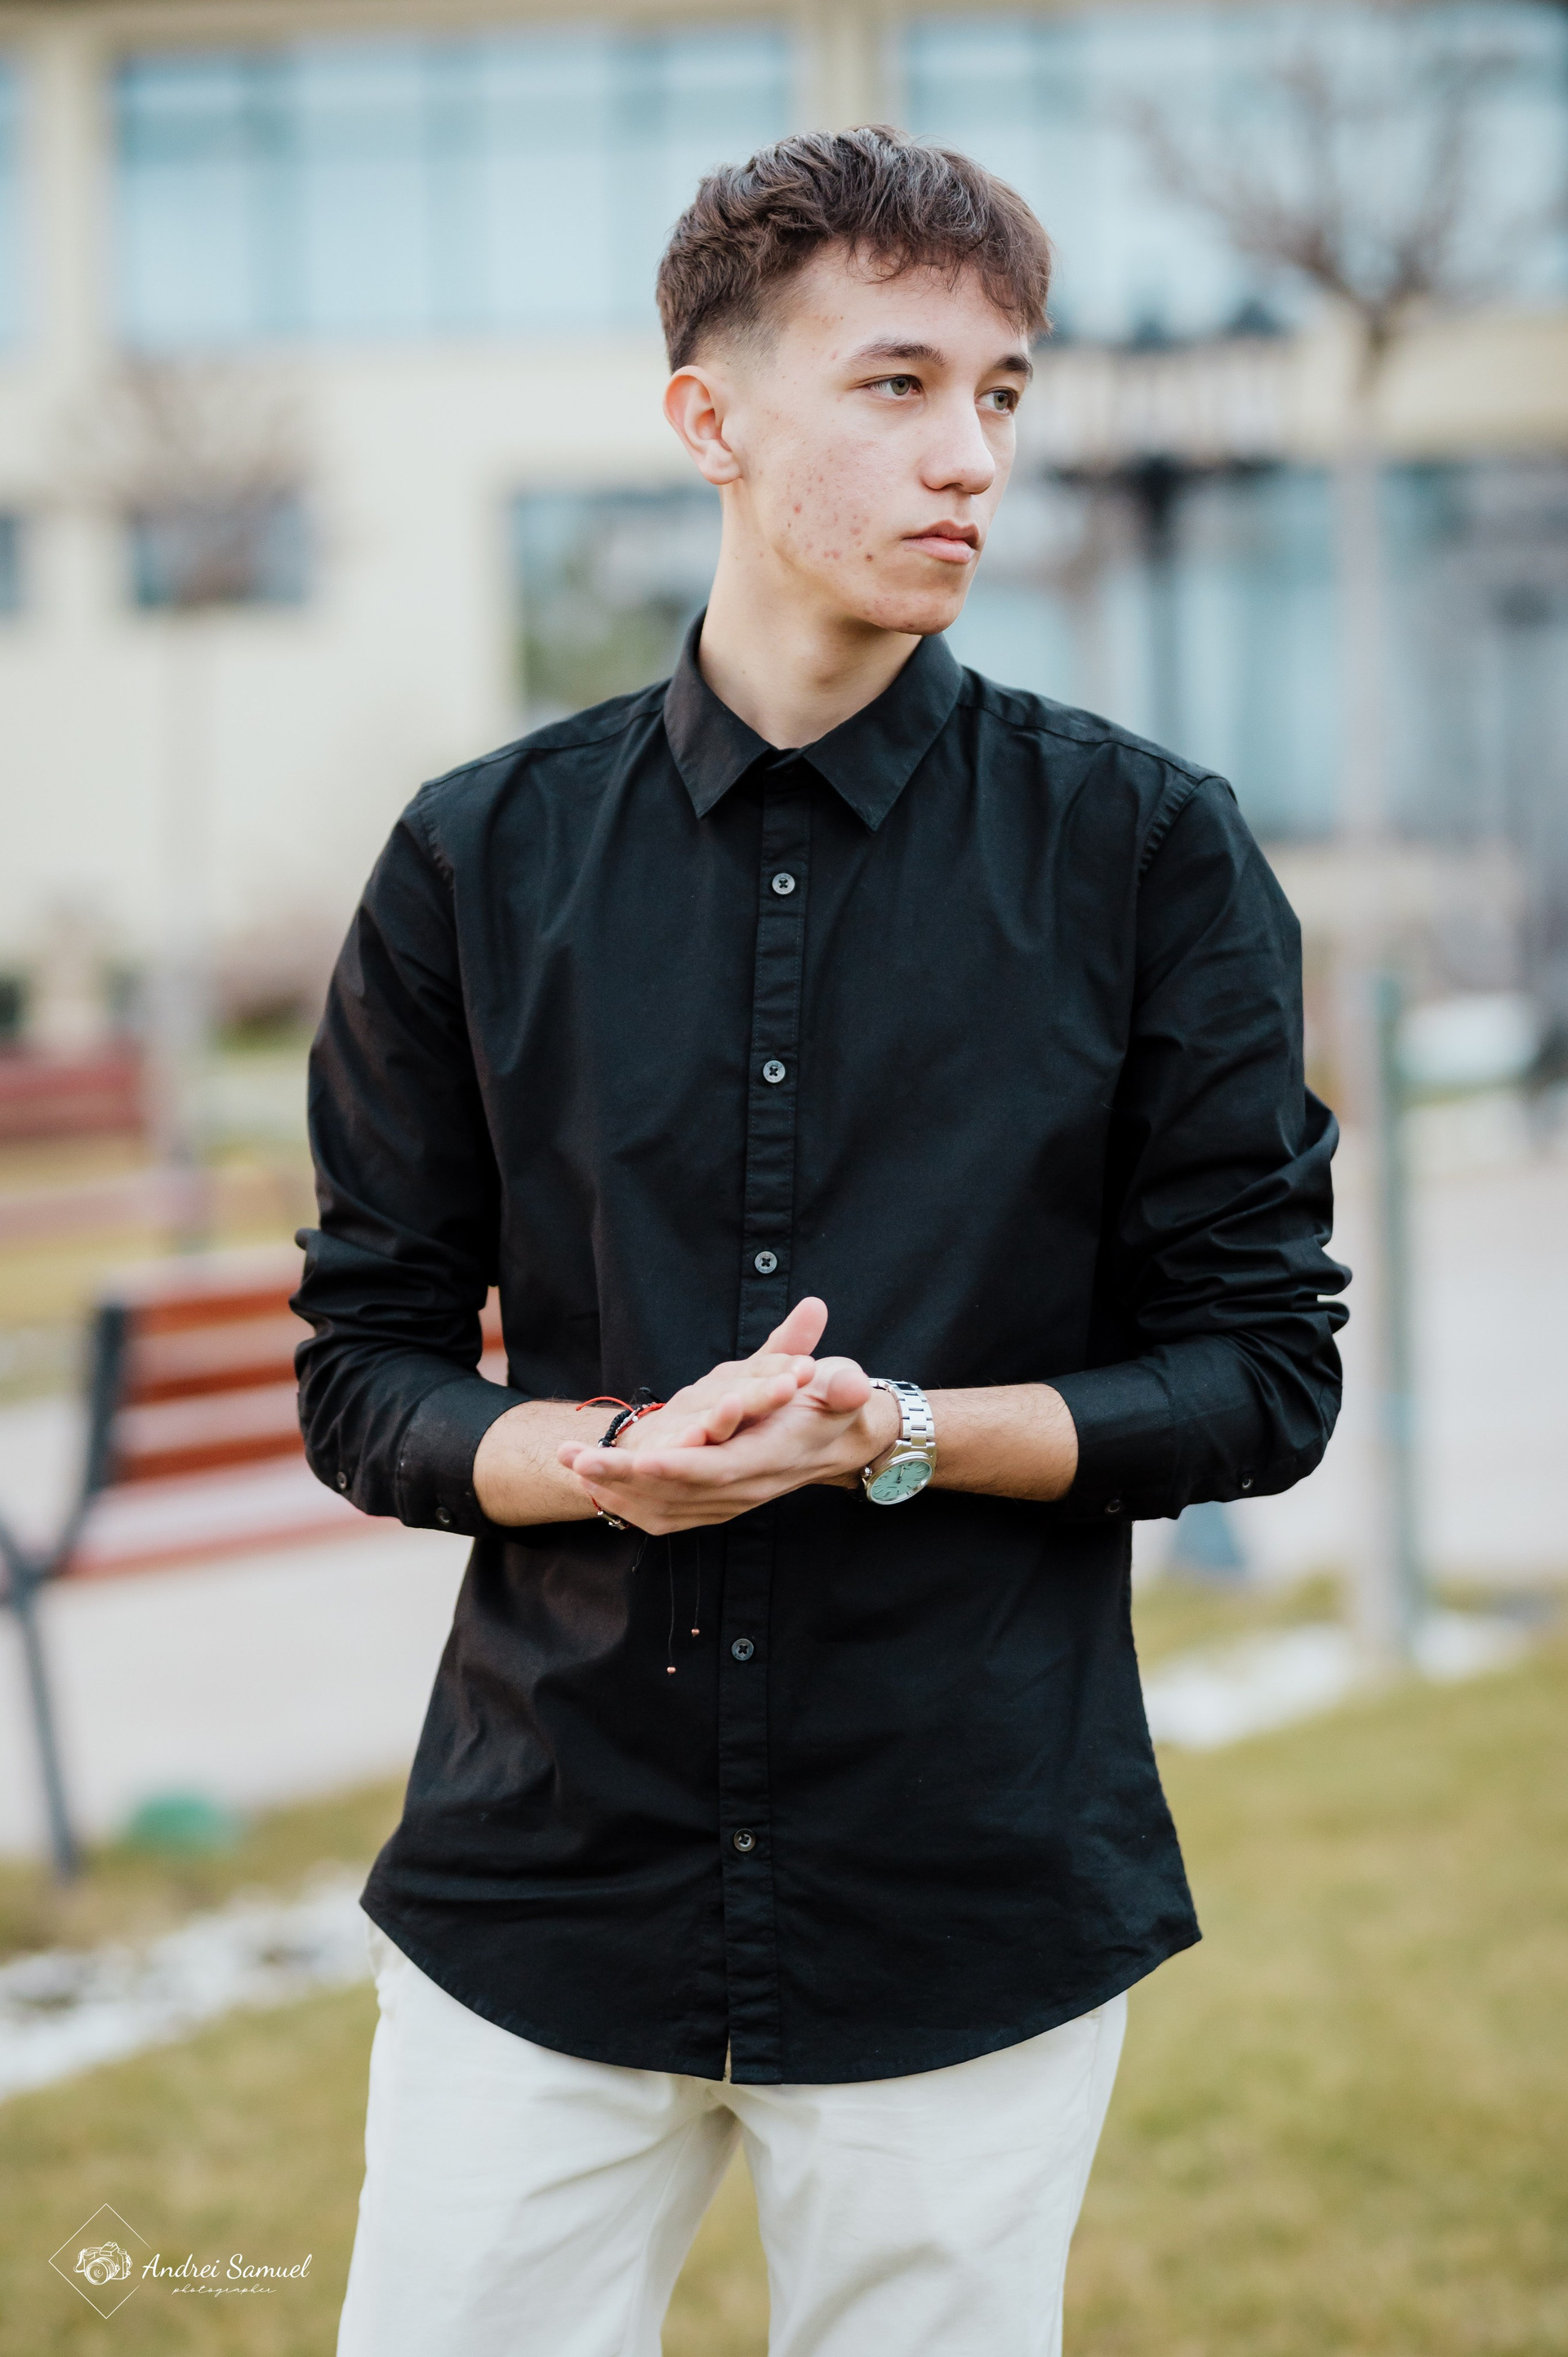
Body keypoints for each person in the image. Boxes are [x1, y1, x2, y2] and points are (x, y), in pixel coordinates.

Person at [296, 125, 1347, 2357]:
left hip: (966, 1882)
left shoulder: (1148, 854)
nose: (973, 456)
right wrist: (608, 1462)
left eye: (1003, 393)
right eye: (898, 385)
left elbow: (1265, 1374)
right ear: (710, 418)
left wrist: (903, 1432)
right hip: (541, 1870)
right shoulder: (476, 860)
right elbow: (365, 1366)